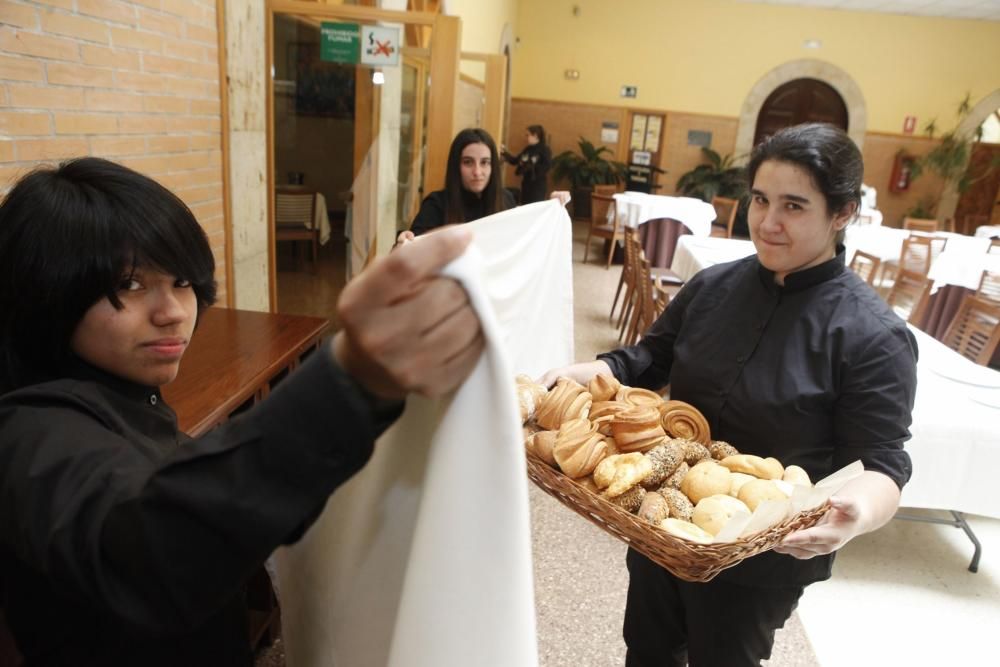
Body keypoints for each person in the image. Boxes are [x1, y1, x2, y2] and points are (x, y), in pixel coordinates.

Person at [0, 157, 484, 666]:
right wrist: (351, 382)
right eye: (130, 285)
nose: (172, 312)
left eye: (182, 281)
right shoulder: (27, 432)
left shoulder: (124, 391)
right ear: (46, 292)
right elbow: (151, 553)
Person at [540, 123, 916, 666]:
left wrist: (857, 513)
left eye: (793, 206)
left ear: (843, 213)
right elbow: (646, 360)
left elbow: (882, 462)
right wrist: (582, 373)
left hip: (761, 558)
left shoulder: (872, 336)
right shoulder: (713, 287)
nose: (767, 222)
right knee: (647, 649)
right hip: (664, 523)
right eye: (760, 199)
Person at [396, 128, 515, 245]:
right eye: (468, 162)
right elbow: (411, 250)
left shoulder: (506, 200)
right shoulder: (437, 205)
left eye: (484, 162)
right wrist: (403, 242)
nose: (477, 172)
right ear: (456, 166)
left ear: (493, 166)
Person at [502, 124, 552, 204]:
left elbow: (547, 166)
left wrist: (532, 167)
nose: (526, 138)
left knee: (534, 207)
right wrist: (504, 153)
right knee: (524, 205)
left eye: (527, 135)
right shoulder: (528, 149)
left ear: (535, 135)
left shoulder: (544, 149)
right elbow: (515, 160)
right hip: (526, 184)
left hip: (537, 185)